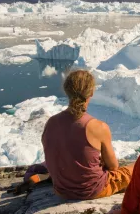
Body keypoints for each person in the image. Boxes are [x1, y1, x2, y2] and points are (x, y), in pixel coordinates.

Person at [41, 69, 134, 200]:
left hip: (61, 190)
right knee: (137, 166)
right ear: (91, 92)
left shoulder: (51, 123)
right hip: (92, 190)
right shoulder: (98, 127)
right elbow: (113, 167)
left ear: (67, 90)